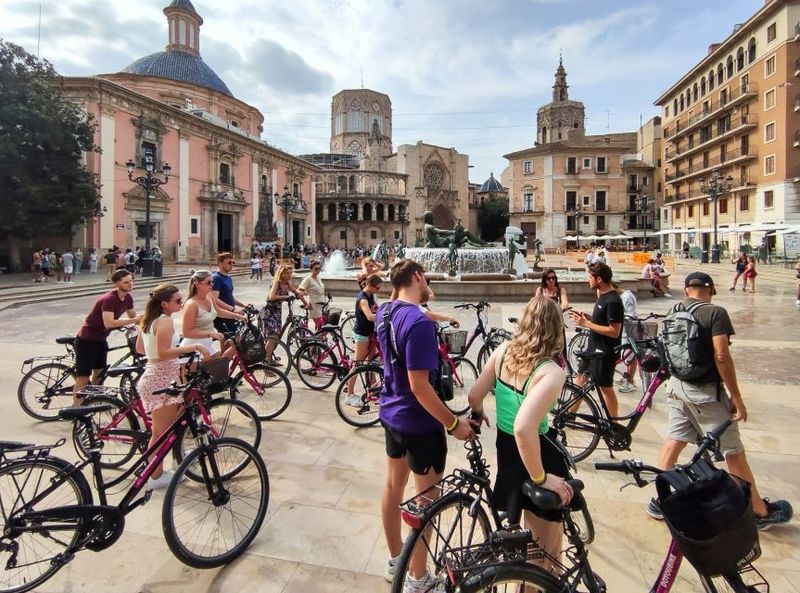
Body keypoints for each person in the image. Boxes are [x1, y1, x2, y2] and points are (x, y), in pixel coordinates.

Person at [650, 272, 793, 530]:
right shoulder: (715, 313)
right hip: (705, 393)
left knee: (674, 440)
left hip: (676, 387)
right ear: (711, 289)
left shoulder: (673, 310)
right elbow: (722, 355)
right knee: (733, 451)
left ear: (686, 290)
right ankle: (758, 512)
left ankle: (660, 500)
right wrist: (736, 396)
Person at [378, 259, 475, 589]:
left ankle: (396, 560)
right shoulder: (419, 324)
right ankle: (418, 578)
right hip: (420, 423)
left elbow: (409, 309)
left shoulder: (386, 312)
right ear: (417, 276)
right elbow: (420, 386)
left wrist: (431, 307)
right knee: (427, 502)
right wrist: (453, 424)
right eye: (426, 280)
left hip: (391, 414)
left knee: (393, 487)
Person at [468, 296, 574, 573]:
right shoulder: (551, 372)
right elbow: (524, 428)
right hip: (538, 455)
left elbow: (474, 394)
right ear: (556, 329)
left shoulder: (502, 351)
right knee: (543, 555)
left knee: (526, 547)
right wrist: (541, 477)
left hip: (508, 453)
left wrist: (478, 412)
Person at [136, 284, 210, 488]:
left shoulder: (148, 319)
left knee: (169, 427)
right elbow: (163, 352)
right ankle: (155, 476)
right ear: (164, 303)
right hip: (160, 377)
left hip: (157, 374)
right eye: (177, 300)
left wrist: (165, 354)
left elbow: (141, 348)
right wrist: (194, 346)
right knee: (159, 433)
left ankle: (172, 461)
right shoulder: (165, 320)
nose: (181, 302)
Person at [73, 269, 140, 402]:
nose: (130, 284)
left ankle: (96, 403)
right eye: (126, 282)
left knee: (99, 375)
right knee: (83, 378)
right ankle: (76, 409)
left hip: (101, 339)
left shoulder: (127, 297)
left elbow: (133, 316)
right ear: (116, 284)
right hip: (87, 340)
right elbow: (109, 323)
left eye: (131, 281)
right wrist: (133, 320)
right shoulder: (109, 299)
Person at [568, 262, 624, 418]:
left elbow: (614, 331)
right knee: (579, 379)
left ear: (599, 279)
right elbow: (603, 322)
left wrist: (586, 324)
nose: (588, 280)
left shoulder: (613, 301)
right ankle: (570, 415)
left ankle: (613, 422)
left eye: (590, 277)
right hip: (592, 349)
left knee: (605, 388)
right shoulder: (602, 296)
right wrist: (589, 318)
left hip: (604, 352)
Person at [181, 270, 244, 359]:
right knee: (220, 364)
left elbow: (219, 312)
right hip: (193, 349)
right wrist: (211, 334)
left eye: (212, 282)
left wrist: (238, 316)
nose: (212, 285)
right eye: (208, 282)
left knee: (223, 362)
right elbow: (187, 333)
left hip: (207, 344)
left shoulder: (209, 297)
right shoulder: (191, 304)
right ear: (197, 284)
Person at [346, 273, 383, 406]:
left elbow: (377, 308)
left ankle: (374, 389)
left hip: (370, 333)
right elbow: (369, 316)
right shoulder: (363, 299)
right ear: (370, 285)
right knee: (358, 365)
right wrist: (384, 317)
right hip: (362, 334)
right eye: (377, 288)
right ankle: (349, 394)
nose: (378, 290)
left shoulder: (370, 295)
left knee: (371, 363)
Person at [260, 264, 309, 348]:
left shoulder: (287, 283)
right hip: (269, 312)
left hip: (277, 312)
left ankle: (269, 353)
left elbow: (296, 293)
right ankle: (266, 355)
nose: (289, 275)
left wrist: (306, 304)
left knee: (276, 337)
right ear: (281, 274)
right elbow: (271, 297)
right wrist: (286, 297)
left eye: (290, 273)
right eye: (286, 273)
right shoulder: (277, 282)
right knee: (274, 336)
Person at [612, 281, 639, 394]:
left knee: (630, 356)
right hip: (624, 330)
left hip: (629, 330)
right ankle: (627, 378)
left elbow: (630, 315)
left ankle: (630, 381)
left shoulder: (627, 297)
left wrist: (616, 317)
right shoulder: (622, 296)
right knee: (626, 355)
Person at [211, 253, 245, 336]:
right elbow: (214, 299)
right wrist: (233, 309)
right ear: (220, 263)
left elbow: (229, 296)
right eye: (229, 262)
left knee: (236, 339)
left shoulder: (228, 277)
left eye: (233, 263)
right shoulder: (216, 278)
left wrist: (243, 305)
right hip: (221, 316)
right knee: (229, 340)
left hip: (230, 314)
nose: (232, 265)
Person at [298, 260, 326, 330]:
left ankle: (316, 337)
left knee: (320, 327)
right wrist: (306, 304)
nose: (318, 270)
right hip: (314, 306)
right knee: (321, 328)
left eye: (319, 268)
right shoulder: (308, 279)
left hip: (322, 305)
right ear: (311, 269)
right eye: (316, 269)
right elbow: (299, 292)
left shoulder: (318, 278)